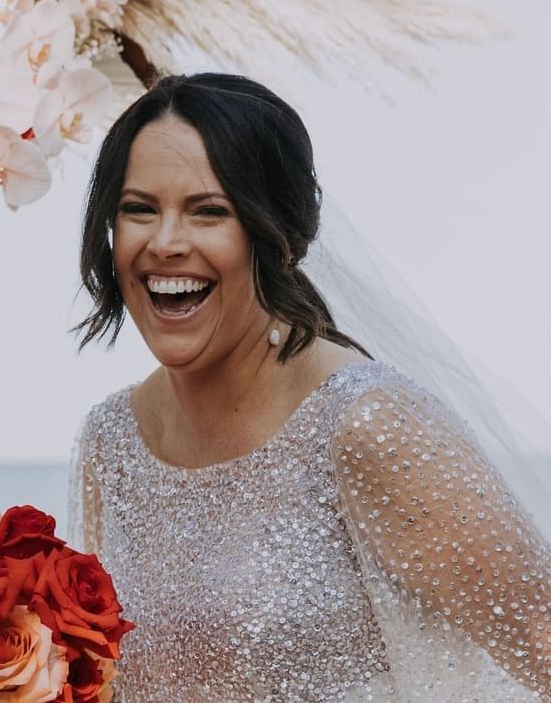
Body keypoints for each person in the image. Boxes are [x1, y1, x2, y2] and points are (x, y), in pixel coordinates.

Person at [69, 73, 550, 701]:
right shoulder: (112, 442)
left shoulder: (371, 426)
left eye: (209, 211)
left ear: (282, 236)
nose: (165, 243)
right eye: (138, 210)